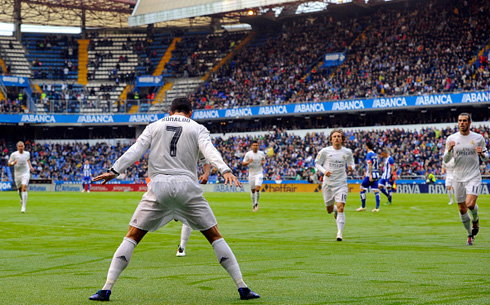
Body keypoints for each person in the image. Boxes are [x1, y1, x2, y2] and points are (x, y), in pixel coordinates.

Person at [89, 97, 259, 301]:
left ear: (170, 112)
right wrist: (225, 170)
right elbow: (209, 151)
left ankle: (106, 289)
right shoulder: (198, 128)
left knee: (132, 236)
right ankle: (242, 287)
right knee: (214, 236)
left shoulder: (154, 126)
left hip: (159, 186)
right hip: (187, 186)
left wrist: (114, 171)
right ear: (191, 113)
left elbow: (136, 150)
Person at [443, 113, 488, 246]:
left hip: (473, 176)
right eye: (460, 121)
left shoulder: (478, 138)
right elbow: (445, 160)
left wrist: (481, 154)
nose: (462, 123)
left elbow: (486, 157)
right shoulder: (451, 138)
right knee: (462, 209)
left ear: (469, 123)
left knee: (470, 204)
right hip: (458, 177)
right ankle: (470, 234)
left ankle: (475, 218)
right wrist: (449, 150)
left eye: (464, 121)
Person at [315, 129, 355, 241]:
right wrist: (324, 171)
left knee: (341, 207)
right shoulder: (325, 151)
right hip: (328, 184)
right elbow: (317, 164)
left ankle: (339, 233)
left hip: (341, 183)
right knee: (329, 209)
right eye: (334, 136)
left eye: (339, 136)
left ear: (342, 139)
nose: (337, 138)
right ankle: (335, 211)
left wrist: (352, 167)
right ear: (331, 139)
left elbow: (352, 163)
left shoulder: (347, 152)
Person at [176, 153, 211, 257]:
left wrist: (206, 174)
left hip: (190, 185)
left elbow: (206, 162)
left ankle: (181, 247)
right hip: (170, 183)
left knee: (188, 217)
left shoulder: (196, 142)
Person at [8, 141, 34, 213]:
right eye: (19, 146)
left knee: (24, 188)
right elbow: (9, 164)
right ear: (17, 147)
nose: (21, 147)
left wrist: (31, 167)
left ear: (24, 146)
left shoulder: (27, 153)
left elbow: (28, 160)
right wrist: (13, 163)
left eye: (22, 146)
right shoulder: (13, 155)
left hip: (25, 172)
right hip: (17, 174)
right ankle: (22, 199)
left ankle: (23, 207)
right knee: (19, 190)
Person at [356, 142, 380, 212]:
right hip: (376, 174)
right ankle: (377, 208)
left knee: (362, 189)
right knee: (376, 191)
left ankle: (363, 207)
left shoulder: (368, 154)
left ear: (367, 146)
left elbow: (369, 164)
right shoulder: (375, 154)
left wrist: (370, 174)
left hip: (371, 174)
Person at [242, 141, 265, 212]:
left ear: (258, 146)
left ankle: (256, 203)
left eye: (256, 145)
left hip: (259, 173)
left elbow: (263, 160)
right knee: (252, 190)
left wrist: (263, 163)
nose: (255, 146)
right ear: (252, 146)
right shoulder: (248, 154)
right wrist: (249, 162)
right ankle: (253, 204)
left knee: (257, 188)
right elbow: (243, 163)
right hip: (251, 174)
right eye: (254, 145)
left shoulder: (261, 153)